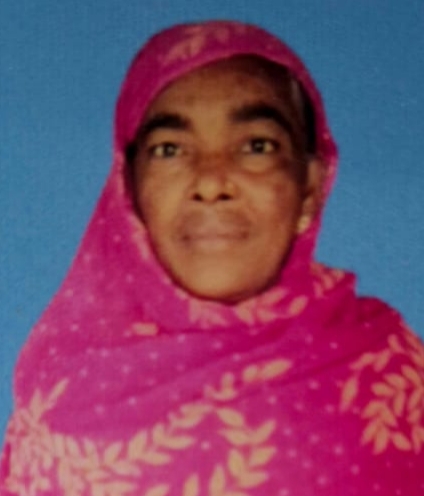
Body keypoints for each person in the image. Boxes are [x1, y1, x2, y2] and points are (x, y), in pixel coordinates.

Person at [1, 20, 423, 496]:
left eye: (256, 146)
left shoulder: (386, 373)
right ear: (128, 188)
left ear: (309, 187)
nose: (211, 181)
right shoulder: (66, 397)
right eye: (169, 150)